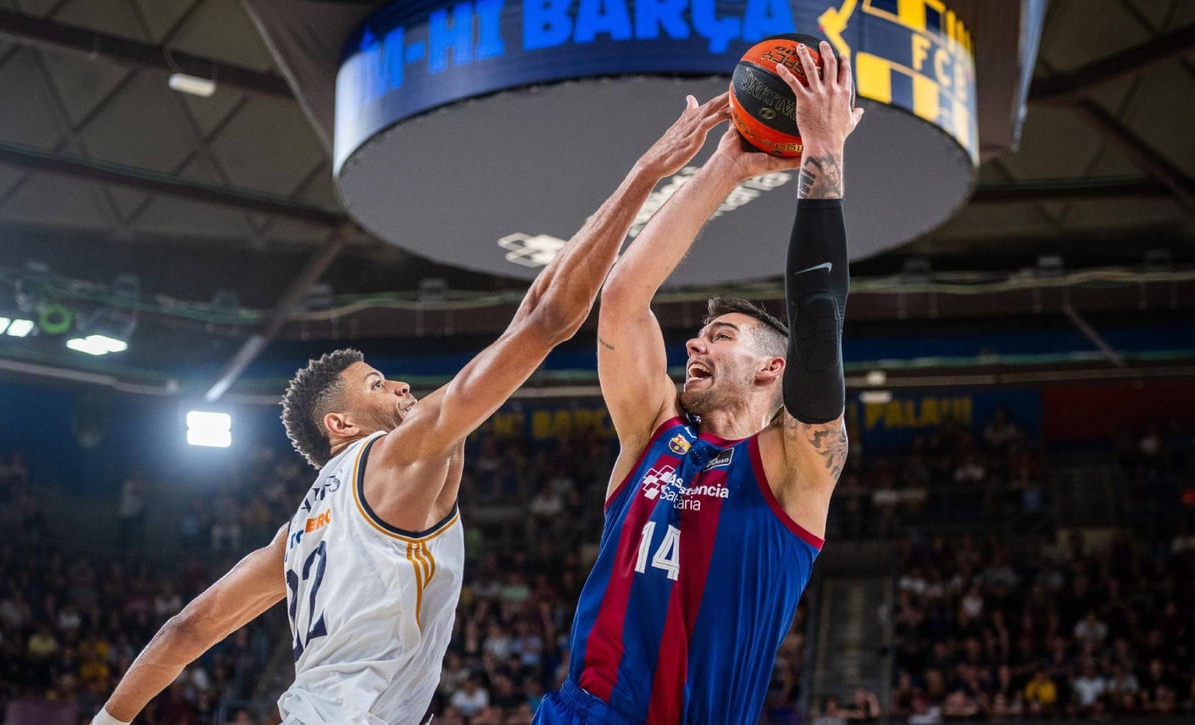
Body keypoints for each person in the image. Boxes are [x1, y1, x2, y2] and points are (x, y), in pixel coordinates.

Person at [91, 94, 737, 725]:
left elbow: (186, 629)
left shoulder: (295, 537)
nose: (400, 385)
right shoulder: (399, 456)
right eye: (376, 383)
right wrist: (644, 175)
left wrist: (109, 719)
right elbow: (547, 320)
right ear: (340, 424)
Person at [535, 41, 863, 723]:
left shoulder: (796, 466)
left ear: (773, 367)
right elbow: (623, 297)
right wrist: (725, 167)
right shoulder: (651, 435)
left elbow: (817, 313)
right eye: (702, 334)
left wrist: (824, 150)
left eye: (722, 335)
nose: (695, 342)